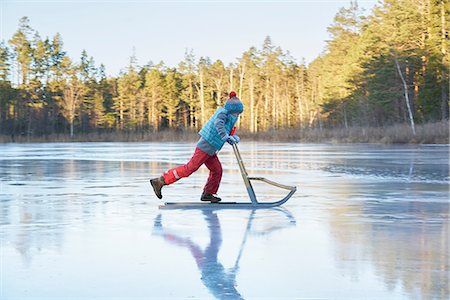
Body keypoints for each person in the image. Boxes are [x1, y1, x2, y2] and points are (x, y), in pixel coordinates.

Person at [150, 91, 244, 203]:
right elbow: (218, 124)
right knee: (190, 168)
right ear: (231, 109)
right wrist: (225, 136)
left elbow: (227, 129)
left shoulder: (230, 116)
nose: (237, 115)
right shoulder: (223, 113)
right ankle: (161, 181)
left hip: (211, 149)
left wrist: (232, 138)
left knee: (217, 170)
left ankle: (208, 194)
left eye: (238, 113)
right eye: (236, 113)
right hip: (205, 146)